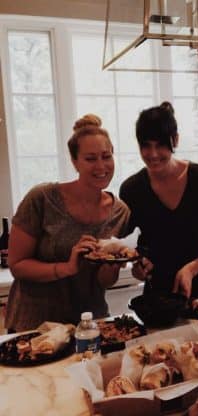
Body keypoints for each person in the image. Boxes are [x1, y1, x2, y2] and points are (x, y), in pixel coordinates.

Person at [5, 114, 131, 332]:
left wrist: (112, 265)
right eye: (90, 158)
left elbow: (103, 282)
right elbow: (17, 265)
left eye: (106, 156)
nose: (101, 166)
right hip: (36, 326)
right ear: (74, 162)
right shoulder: (42, 199)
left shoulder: (120, 212)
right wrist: (67, 268)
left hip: (89, 325)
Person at [119, 102, 198, 299]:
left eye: (160, 145)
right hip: (160, 294)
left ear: (175, 140)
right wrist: (138, 267)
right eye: (146, 145)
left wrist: (190, 270)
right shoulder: (132, 189)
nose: (152, 154)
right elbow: (126, 246)